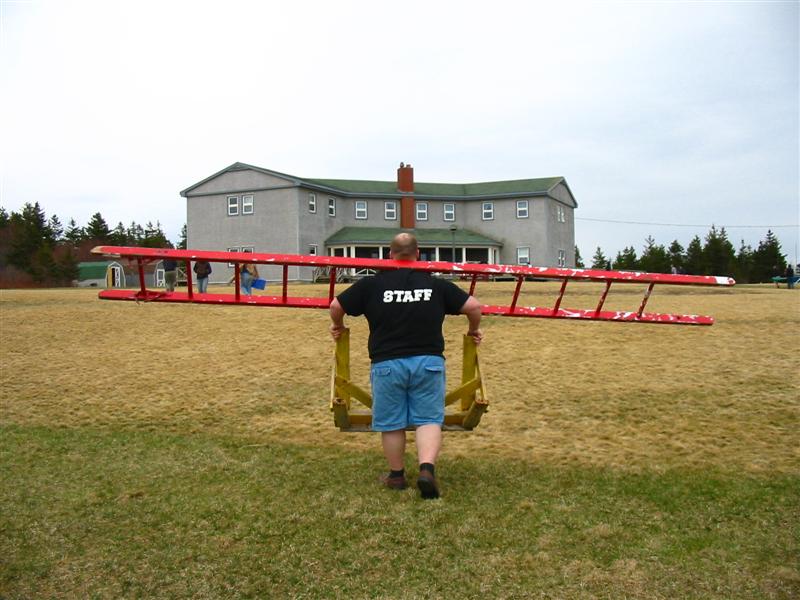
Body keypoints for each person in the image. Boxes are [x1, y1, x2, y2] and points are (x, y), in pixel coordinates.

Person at [329, 232, 483, 500]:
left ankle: (397, 475)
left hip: (387, 364)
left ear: (390, 254)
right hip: (429, 363)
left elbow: (335, 305)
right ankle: (426, 470)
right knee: (429, 419)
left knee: (392, 423)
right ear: (418, 254)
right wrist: (473, 330)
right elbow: (474, 306)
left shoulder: (371, 284)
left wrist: (338, 325)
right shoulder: (435, 284)